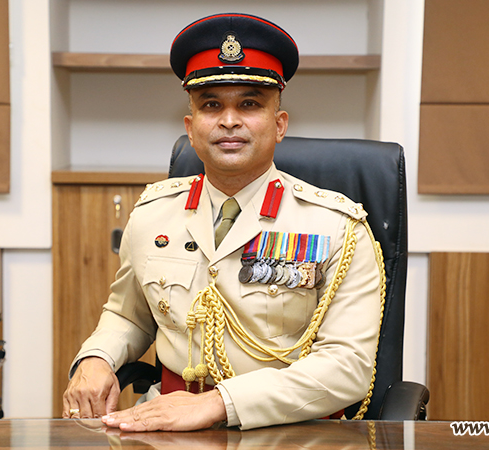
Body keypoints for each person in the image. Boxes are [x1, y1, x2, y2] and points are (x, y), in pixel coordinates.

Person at [62, 13, 384, 431]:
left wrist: (220, 404)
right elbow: (130, 316)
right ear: (191, 128)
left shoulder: (338, 226)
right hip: (165, 420)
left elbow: (348, 367)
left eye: (249, 104)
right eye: (211, 105)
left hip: (288, 428)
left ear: (279, 124)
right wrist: (96, 357)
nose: (229, 120)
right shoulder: (153, 213)